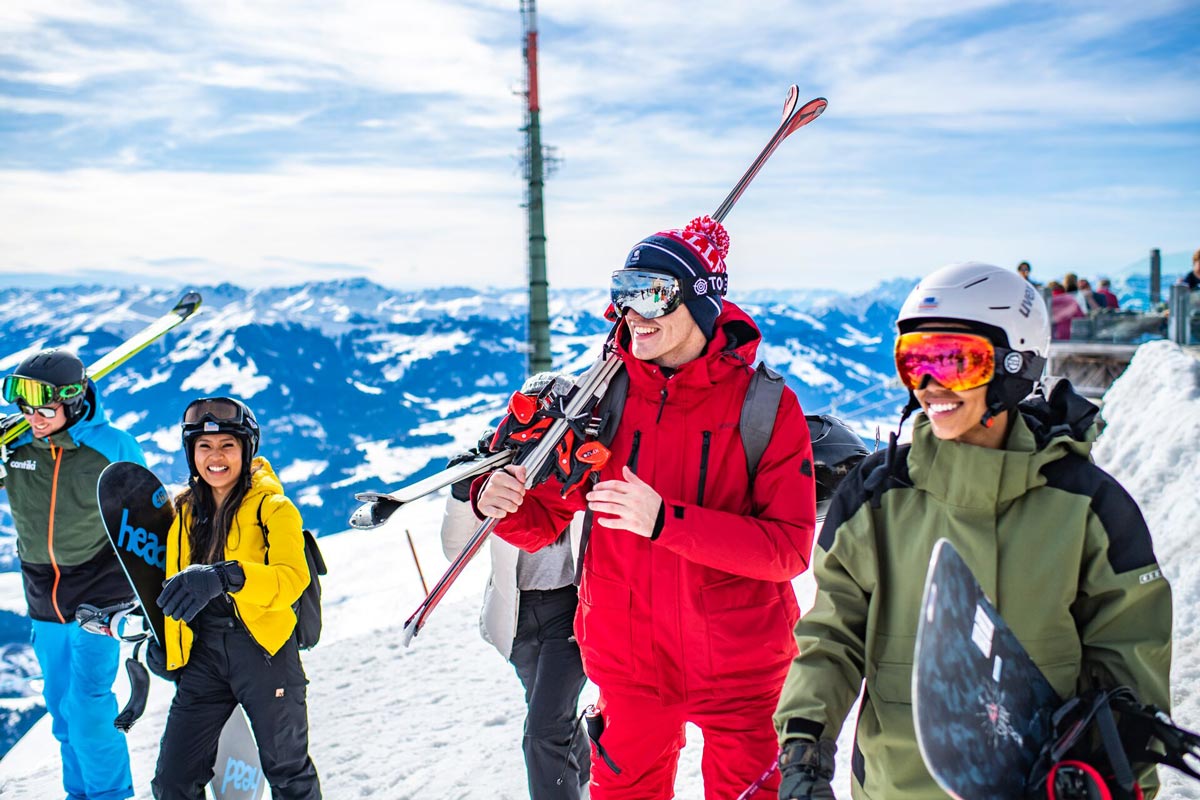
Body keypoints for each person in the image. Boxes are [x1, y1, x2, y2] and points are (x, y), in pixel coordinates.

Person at [772, 262, 1173, 799]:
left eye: (956, 362)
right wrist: (804, 745)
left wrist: (1117, 776)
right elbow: (832, 635)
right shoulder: (877, 497)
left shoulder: (1086, 507)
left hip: (1038, 785)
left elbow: (1129, 665)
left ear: (1014, 366)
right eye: (914, 361)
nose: (930, 384)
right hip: (897, 787)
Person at [477, 215, 817, 800]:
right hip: (630, 668)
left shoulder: (765, 406)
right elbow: (545, 522)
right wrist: (503, 505)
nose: (632, 312)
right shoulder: (601, 399)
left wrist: (665, 522)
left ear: (701, 301)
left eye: (652, 293)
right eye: (623, 292)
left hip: (743, 669)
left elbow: (787, 550)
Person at [148, 397, 320, 800]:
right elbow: (171, 582)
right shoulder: (183, 512)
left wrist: (226, 576)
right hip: (204, 656)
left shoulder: (274, 509)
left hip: (264, 654)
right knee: (173, 781)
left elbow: (291, 579)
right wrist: (165, 639)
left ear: (246, 449)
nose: (216, 457)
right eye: (204, 446)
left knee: (288, 775)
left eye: (227, 445)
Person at [0, 349, 142, 800]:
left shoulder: (112, 446)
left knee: (89, 710)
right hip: (43, 596)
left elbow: (149, 516)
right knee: (62, 712)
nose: (33, 418)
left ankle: (111, 795)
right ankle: (78, 794)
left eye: (45, 409)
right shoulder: (15, 446)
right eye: (24, 407)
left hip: (100, 594)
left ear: (74, 400)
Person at [440, 396, 591, 800]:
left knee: (544, 730)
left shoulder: (584, 467)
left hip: (573, 612)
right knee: (549, 713)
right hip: (518, 614)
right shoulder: (504, 478)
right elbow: (456, 551)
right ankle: (585, 774)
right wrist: (462, 494)